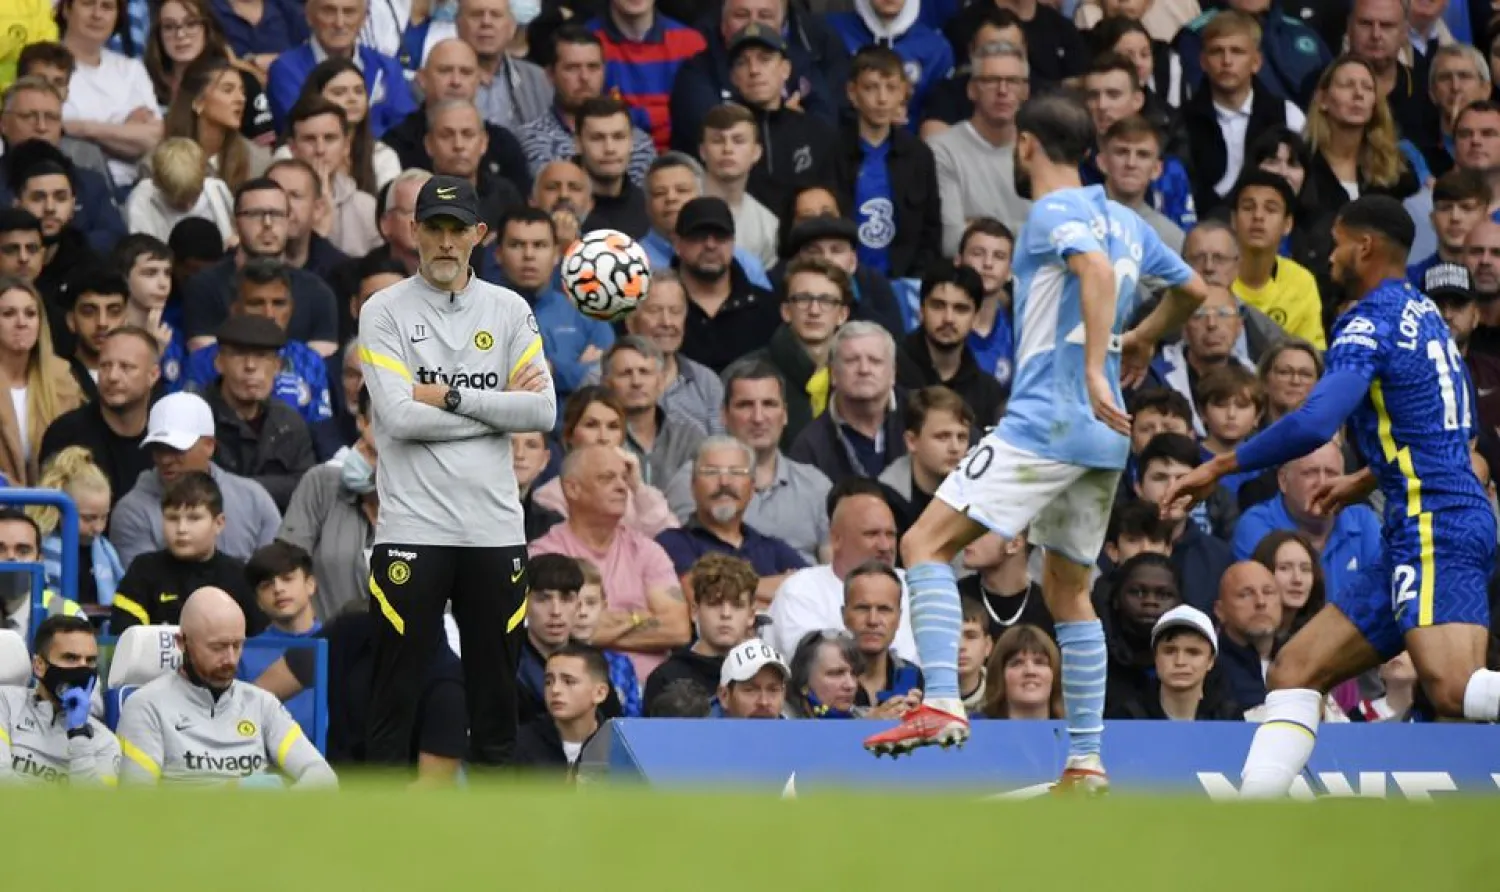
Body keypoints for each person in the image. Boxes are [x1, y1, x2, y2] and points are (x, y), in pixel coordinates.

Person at [865, 93, 1207, 792]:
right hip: (1103, 439)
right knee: (1068, 589)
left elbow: (1097, 274)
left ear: (1026, 144)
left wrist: (1088, 369)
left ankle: (940, 702)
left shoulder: (1053, 213)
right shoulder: (1126, 220)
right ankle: (1085, 759)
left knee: (922, 545)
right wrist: (1142, 337)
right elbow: (1195, 289)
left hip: (1046, 421)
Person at [1160, 195, 1500, 798]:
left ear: (1365, 247)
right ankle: (1250, 819)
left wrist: (1220, 464)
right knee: (1294, 670)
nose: (1332, 255)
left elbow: (1315, 423)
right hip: (1428, 519)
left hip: (1434, 524)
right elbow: (1449, 432)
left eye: (1340, 243)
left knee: (1451, 688)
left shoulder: (1367, 321)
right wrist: (1364, 478)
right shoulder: (1429, 320)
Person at [359, 174, 555, 768]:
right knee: (393, 700)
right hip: (411, 531)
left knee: (496, 704)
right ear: (412, 231)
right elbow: (396, 418)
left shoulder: (509, 309)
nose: (446, 242)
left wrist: (447, 397)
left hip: (493, 533)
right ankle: (381, 846)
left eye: (457, 230)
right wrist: (499, 407)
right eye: (434, 229)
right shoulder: (384, 310)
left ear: (479, 235)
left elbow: (543, 411)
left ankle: (494, 849)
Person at [116, 587, 337, 787]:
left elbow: (322, 775)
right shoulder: (145, 705)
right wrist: (231, 795)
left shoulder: (261, 703)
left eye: (237, 645)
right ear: (182, 643)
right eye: (218, 647)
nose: (230, 659)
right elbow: (138, 803)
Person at [529, 445, 691, 682]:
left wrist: (598, 628)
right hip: (575, 693)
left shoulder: (647, 551)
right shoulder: (544, 554)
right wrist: (641, 617)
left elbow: (678, 629)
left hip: (651, 694)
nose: (622, 486)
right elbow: (559, 630)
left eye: (624, 478)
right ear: (572, 488)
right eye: (607, 478)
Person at [662, 358, 831, 564]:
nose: (758, 417)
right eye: (745, 405)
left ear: (784, 414)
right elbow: (686, 564)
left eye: (769, 404)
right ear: (724, 415)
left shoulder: (815, 485)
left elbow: (831, 573)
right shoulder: (695, 478)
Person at [110, 391, 280, 566]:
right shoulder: (132, 512)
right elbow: (142, 587)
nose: (165, 459)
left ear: (209, 446)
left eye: (176, 449)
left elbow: (275, 573)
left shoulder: (253, 499)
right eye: (158, 448)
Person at [667, 0, 849, 159]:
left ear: (781, 26)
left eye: (765, 15)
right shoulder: (699, 69)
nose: (753, 24)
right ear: (723, 25)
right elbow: (715, 136)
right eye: (741, 15)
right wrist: (782, 118)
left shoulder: (798, 62)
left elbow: (827, 125)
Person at [181, 177, 340, 357]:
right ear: (235, 222)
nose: (267, 224)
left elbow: (320, 367)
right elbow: (205, 361)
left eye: (277, 214)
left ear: (288, 221)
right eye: (255, 214)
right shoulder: (204, 287)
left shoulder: (317, 291)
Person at [1180, 10, 1308, 218]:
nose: (1227, 61)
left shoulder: (1288, 115)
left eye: (1237, 51)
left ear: (1256, 62)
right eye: (1217, 51)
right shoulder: (1182, 121)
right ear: (1203, 61)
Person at [829, 46, 941, 281]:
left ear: (903, 93)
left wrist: (916, 279)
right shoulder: (832, 152)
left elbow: (931, 230)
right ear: (852, 92)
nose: (881, 99)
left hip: (904, 281)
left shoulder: (919, 156)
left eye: (891, 88)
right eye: (871, 87)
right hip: (842, 280)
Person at [766, 485, 916, 659]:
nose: (885, 546)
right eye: (871, 534)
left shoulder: (915, 587)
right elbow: (815, 669)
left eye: (890, 535)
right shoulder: (800, 591)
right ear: (836, 539)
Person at [110, 470, 263, 633]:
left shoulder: (239, 576)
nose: (181, 529)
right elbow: (125, 637)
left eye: (194, 518)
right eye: (172, 518)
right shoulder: (143, 570)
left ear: (219, 523)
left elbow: (260, 647)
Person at [655, 436, 806, 601]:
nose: (724, 482)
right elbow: (701, 597)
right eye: (711, 472)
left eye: (736, 472)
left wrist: (728, 589)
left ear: (752, 487)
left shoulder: (774, 548)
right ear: (692, 486)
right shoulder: (672, 542)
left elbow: (815, 592)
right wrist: (781, 589)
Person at [378, 39, 531, 200]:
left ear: (479, 80)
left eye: (466, 72)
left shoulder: (503, 143)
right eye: (445, 71)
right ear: (422, 78)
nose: (456, 82)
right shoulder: (396, 143)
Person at [1231, 440, 1383, 602]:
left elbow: (1381, 595)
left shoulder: (1363, 521)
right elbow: (1262, 605)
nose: (1322, 483)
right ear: (1283, 481)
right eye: (1310, 473)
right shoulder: (1256, 525)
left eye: (1332, 473)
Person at [194, 314, 316, 510]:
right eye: (239, 354)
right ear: (219, 363)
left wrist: (242, 487)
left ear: (277, 366)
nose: (250, 366)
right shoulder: (196, 416)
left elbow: (306, 488)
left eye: (261, 356)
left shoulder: (289, 423)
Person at [279, 385, 379, 620]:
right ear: (362, 422)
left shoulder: (436, 496)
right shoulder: (321, 483)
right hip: (328, 646)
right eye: (383, 421)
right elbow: (286, 571)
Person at [928, 41, 1032, 254]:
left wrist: (975, 228)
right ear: (972, 90)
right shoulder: (942, 149)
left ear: (1025, 91)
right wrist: (1025, 229)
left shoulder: (1040, 150)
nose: (1003, 90)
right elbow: (951, 241)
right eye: (991, 81)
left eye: (1012, 81)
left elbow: (1053, 238)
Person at [518, 26, 655, 186]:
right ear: (550, 75)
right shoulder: (530, 140)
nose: (584, 77)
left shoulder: (638, 142)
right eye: (572, 68)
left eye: (593, 67)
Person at [533, 387, 678, 536]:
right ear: (569, 435)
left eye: (613, 427)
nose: (603, 437)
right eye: (591, 425)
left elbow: (670, 540)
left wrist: (637, 487)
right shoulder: (549, 497)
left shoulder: (639, 495)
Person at [0, 81, 125, 253]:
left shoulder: (90, 183)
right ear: (3, 124)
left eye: (51, 117)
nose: (42, 127)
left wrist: (58, 248)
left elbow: (115, 238)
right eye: (29, 116)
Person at [40, 326, 158, 503]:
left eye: (126, 367)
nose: (112, 376)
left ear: (153, 375)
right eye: (104, 366)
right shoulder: (67, 434)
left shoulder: (164, 435)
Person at [56, 0, 164, 193]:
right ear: (66, 9)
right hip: (74, 188)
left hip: (135, 188)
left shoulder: (131, 70)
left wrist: (82, 128)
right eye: (88, 4)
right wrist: (124, 130)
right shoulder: (47, 66)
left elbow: (152, 138)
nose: (97, 14)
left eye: (107, 6)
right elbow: (52, 130)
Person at [265, 0, 416, 137]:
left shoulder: (387, 68)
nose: (339, 23)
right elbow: (304, 131)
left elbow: (405, 133)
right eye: (329, 11)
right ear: (309, 16)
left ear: (363, 19)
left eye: (349, 12)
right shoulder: (286, 70)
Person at [0, 615, 118, 785]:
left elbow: (94, 807)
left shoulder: (105, 741)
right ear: (39, 665)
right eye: (71, 658)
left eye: (90, 660)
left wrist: (79, 734)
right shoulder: (5, 704)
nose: (82, 668)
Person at [671, 196, 780, 373]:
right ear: (677, 243)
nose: (710, 245)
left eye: (721, 236)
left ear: (733, 241)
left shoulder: (768, 308)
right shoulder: (653, 308)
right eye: (698, 236)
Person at [146, 0, 276, 147]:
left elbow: (265, 149)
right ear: (158, 34)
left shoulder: (242, 81)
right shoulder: (143, 82)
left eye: (191, 24)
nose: (181, 34)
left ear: (207, 28)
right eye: (169, 27)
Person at [789, 321, 907, 481]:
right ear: (833, 374)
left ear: (893, 373)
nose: (864, 370)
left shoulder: (923, 418)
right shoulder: (809, 446)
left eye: (875, 361)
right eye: (851, 360)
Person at [642, 552, 757, 712]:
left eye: (737, 605)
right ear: (695, 611)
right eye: (714, 604)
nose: (725, 614)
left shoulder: (763, 674)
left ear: (751, 615)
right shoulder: (666, 677)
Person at [586, 0, 706, 152]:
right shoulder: (586, 44)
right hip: (613, 157)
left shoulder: (691, 43)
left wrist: (632, 116)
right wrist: (662, 114)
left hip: (681, 158)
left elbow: (698, 121)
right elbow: (587, 120)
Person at [0, 277, 84, 486]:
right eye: (8, 314)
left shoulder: (61, 377)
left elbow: (75, 454)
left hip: (52, 504)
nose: (22, 322)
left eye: (30, 313)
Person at [1229, 170, 1325, 348]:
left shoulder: (1301, 283)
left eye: (1271, 209)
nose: (1258, 216)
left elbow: (1311, 355)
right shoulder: (1213, 275)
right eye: (1248, 208)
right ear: (1233, 220)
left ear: (1287, 224)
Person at [896, 266, 1003, 425]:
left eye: (961, 309)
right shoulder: (891, 370)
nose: (948, 318)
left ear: (975, 318)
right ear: (921, 311)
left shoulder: (988, 391)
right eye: (938, 306)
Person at [621, 270, 720, 435]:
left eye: (675, 311)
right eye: (654, 310)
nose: (667, 322)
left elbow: (722, 449)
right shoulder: (601, 379)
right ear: (631, 322)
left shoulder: (706, 382)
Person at [239, 541, 321, 734]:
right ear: (258, 601)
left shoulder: (340, 642)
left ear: (310, 584)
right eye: (266, 585)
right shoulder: (242, 654)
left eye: (287, 578)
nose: (278, 589)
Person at [1108, 604, 1244, 720]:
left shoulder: (1229, 717)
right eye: (1169, 651)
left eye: (1193, 652)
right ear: (1155, 657)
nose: (1180, 661)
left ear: (1210, 661)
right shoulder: (1127, 716)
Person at [284, 97, 381, 258]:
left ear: (346, 146)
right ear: (292, 148)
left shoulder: (366, 208)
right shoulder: (272, 203)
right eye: (309, 139)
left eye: (329, 138)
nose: (320, 150)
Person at [160, 54, 271, 194]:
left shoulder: (258, 161)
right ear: (198, 102)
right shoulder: (159, 162)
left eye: (242, 91)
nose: (241, 99)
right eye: (227, 90)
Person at [601, 336, 703, 487]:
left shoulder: (688, 437)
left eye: (644, 372)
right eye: (625, 373)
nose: (636, 382)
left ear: (660, 382)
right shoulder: (599, 437)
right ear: (606, 384)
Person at [32, 447, 124, 607]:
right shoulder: (43, 550)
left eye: (104, 517)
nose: (98, 528)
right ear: (60, 511)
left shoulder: (106, 550)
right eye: (89, 518)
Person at [296, 57, 402, 195]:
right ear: (316, 98)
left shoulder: (382, 155)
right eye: (339, 92)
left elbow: (390, 208)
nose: (352, 99)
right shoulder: (291, 153)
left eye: (359, 91)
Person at [877, 386, 973, 535]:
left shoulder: (978, 494)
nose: (955, 448)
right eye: (942, 437)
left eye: (962, 437)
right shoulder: (885, 500)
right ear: (911, 441)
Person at [698, 103, 779, 271]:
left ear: (756, 152)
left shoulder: (768, 225)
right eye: (717, 140)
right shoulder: (679, 204)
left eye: (738, 140)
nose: (727, 149)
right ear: (703, 152)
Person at [512, 643, 611, 771]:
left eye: (569, 681)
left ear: (600, 693)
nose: (555, 689)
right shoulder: (521, 743)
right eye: (548, 682)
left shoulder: (615, 747)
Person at [455, 0, 551, 132]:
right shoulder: (434, 80)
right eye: (476, 15)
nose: (486, 22)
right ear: (458, 25)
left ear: (511, 28)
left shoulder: (537, 80)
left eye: (496, 15)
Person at [515, 553, 586, 726]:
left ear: (578, 605)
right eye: (543, 599)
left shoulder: (591, 661)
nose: (556, 611)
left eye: (566, 599)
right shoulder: (505, 664)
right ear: (524, 603)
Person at [1096, 116, 1184, 254]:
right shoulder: (1074, 219)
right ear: (1102, 162)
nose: (1131, 163)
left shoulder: (1170, 238)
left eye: (1143, 155)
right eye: (1122, 152)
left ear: (1156, 169)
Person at [958, 531, 1054, 639]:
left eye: (981, 529)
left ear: (1014, 544)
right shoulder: (954, 598)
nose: (966, 537)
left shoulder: (1051, 609)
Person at [1407, 168, 1491, 285]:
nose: (1455, 217)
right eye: (1445, 208)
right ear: (1432, 219)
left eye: (1466, 208)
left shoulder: (1495, 280)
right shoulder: (1409, 282)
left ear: (1486, 218)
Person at [57, 265, 126, 402]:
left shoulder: (140, 378)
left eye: (114, 311)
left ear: (126, 319)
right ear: (71, 320)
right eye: (89, 312)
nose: (102, 322)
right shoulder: (55, 376)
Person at [1251, 528, 1326, 640]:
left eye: (1305, 569)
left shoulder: (1322, 636)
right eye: (1284, 568)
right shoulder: (1245, 635)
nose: (1297, 579)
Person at [980, 623, 1064, 720]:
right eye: (1017, 663)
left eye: (1039, 662)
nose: (1030, 671)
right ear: (1000, 674)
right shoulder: (971, 731)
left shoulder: (1078, 729)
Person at [784, 629, 863, 719]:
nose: (851, 685)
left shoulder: (869, 721)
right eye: (836, 673)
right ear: (804, 679)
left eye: (854, 673)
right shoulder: (778, 722)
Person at [712, 636, 788, 718]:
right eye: (750, 690)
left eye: (773, 690)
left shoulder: (793, 730)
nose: (764, 702)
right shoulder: (700, 729)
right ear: (724, 696)